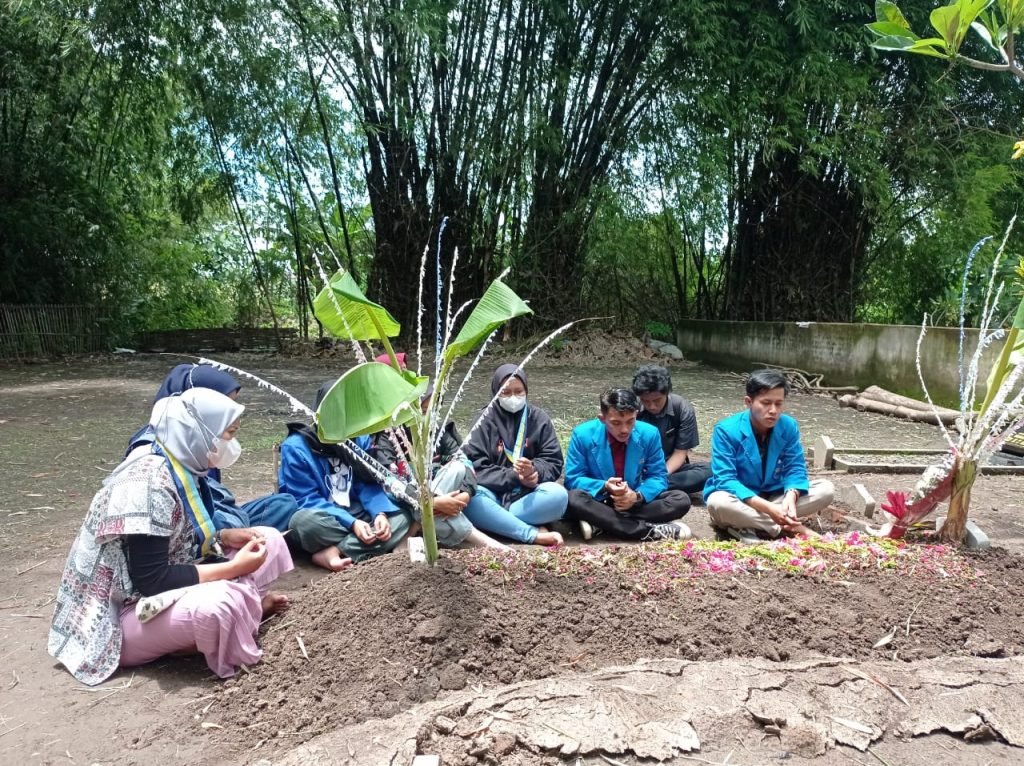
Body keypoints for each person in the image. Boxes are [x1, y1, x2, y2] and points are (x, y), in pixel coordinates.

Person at [49, 388, 293, 687]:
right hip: (121, 616)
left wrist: (223, 536)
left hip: (162, 590)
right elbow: (152, 579)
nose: (231, 443)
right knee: (220, 604)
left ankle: (235, 617)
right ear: (199, 431)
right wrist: (233, 569)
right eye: (228, 434)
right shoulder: (146, 484)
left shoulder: (180, 461)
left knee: (268, 538)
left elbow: (178, 535)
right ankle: (231, 619)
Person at [126, 362, 298, 533]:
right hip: (187, 522)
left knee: (282, 504)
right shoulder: (155, 452)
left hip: (214, 512)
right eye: (223, 406)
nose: (228, 415)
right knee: (232, 523)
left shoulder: (204, 439)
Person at [280, 380, 412, 569]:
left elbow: (368, 482)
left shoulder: (359, 438)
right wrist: (352, 524)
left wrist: (379, 514)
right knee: (304, 524)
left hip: (357, 510)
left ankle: (336, 551)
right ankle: (364, 545)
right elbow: (304, 499)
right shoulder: (296, 447)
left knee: (402, 518)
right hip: (324, 517)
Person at [703, 369, 834, 539]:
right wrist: (769, 509)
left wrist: (791, 496)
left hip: (775, 497)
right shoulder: (726, 430)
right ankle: (790, 528)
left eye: (778, 404)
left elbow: (795, 467)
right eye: (766, 403)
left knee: (825, 489)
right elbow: (725, 480)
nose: (773, 410)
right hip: (741, 499)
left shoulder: (788, 426)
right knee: (718, 502)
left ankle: (749, 525)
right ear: (748, 402)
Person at [565, 388, 692, 541]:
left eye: (630, 421)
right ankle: (648, 531)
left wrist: (637, 497)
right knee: (574, 498)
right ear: (602, 419)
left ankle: (601, 522)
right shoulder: (583, 434)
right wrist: (604, 486)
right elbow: (573, 479)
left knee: (681, 499)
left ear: (636, 415)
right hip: (599, 499)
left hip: (632, 500)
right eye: (616, 423)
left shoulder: (649, 433)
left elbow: (658, 476)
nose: (624, 429)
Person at [462, 364, 567, 545]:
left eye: (519, 391)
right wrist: (514, 476)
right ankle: (532, 533)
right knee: (471, 499)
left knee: (559, 496)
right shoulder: (483, 420)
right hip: (491, 493)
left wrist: (534, 472)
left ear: (526, 390)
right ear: (496, 392)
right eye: (506, 392)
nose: (513, 397)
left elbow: (553, 460)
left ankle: (499, 521)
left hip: (528, 494)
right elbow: (474, 466)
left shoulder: (538, 418)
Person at [632, 364, 711, 495]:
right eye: (645, 401)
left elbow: (680, 453)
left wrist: (659, 476)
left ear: (667, 393)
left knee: (712, 470)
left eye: (657, 400)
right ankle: (648, 488)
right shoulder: (632, 407)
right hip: (636, 466)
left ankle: (645, 487)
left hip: (668, 467)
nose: (651, 406)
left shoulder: (681, 408)